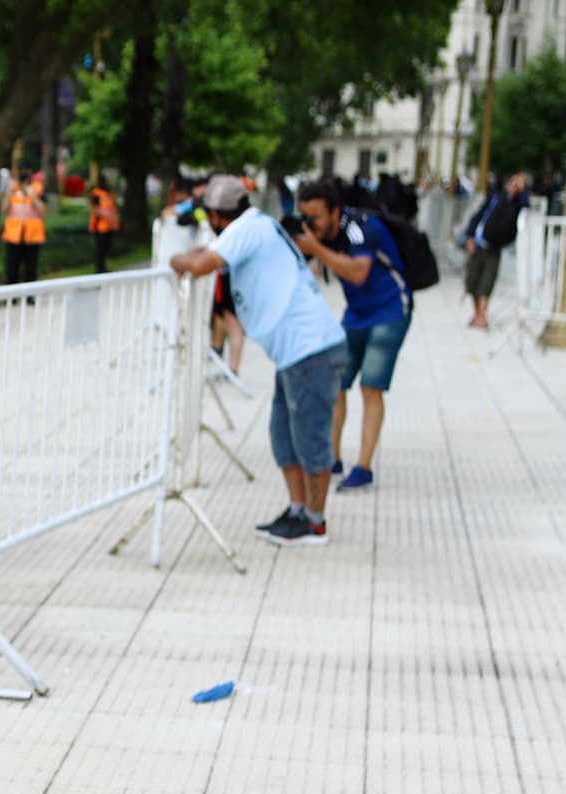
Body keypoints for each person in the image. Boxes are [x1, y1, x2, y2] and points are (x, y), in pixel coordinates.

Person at [171, 174, 347, 548]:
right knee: (283, 437)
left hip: (310, 350)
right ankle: (297, 510)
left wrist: (176, 258)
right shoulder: (257, 226)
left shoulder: (246, 229)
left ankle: (314, 521)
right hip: (296, 352)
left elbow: (202, 264)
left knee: (310, 439)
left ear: (219, 216)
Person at [295, 177, 413, 491]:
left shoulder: (361, 227)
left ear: (335, 211)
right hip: (357, 313)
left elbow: (359, 273)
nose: (312, 223)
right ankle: (332, 459)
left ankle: (363, 467)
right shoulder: (319, 234)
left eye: (317, 216)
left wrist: (314, 248)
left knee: (370, 387)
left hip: (390, 309)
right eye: (306, 216)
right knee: (337, 382)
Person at [461, 172, 530, 330]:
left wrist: (522, 188)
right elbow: (479, 216)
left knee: (486, 282)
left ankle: (482, 315)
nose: (513, 186)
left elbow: (525, 205)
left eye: (517, 185)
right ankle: (477, 313)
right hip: (479, 243)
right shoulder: (495, 197)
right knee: (472, 281)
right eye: (512, 182)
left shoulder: (516, 203)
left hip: (494, 247)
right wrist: (470, 236)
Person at [2, 174, 47, 286]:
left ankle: (29, 296)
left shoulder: (38, 188)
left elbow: (43, 211)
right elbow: (3, 209)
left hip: (32, 236)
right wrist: (9, 192)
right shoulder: (12, 189)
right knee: (12, 269)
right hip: (13, 235)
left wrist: (33, 196)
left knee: (30, 269)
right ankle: (11, 296)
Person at [87, 180, 119, 274]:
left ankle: (103, 267)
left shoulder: (108, 194)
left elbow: (113, 209)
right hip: (99, 226)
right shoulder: (96, 193)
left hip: (109, 226)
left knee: (105, 248)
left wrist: (113, 221)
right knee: (99, 249)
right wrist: (107, 218)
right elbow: (95, 209)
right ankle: (99, 269)